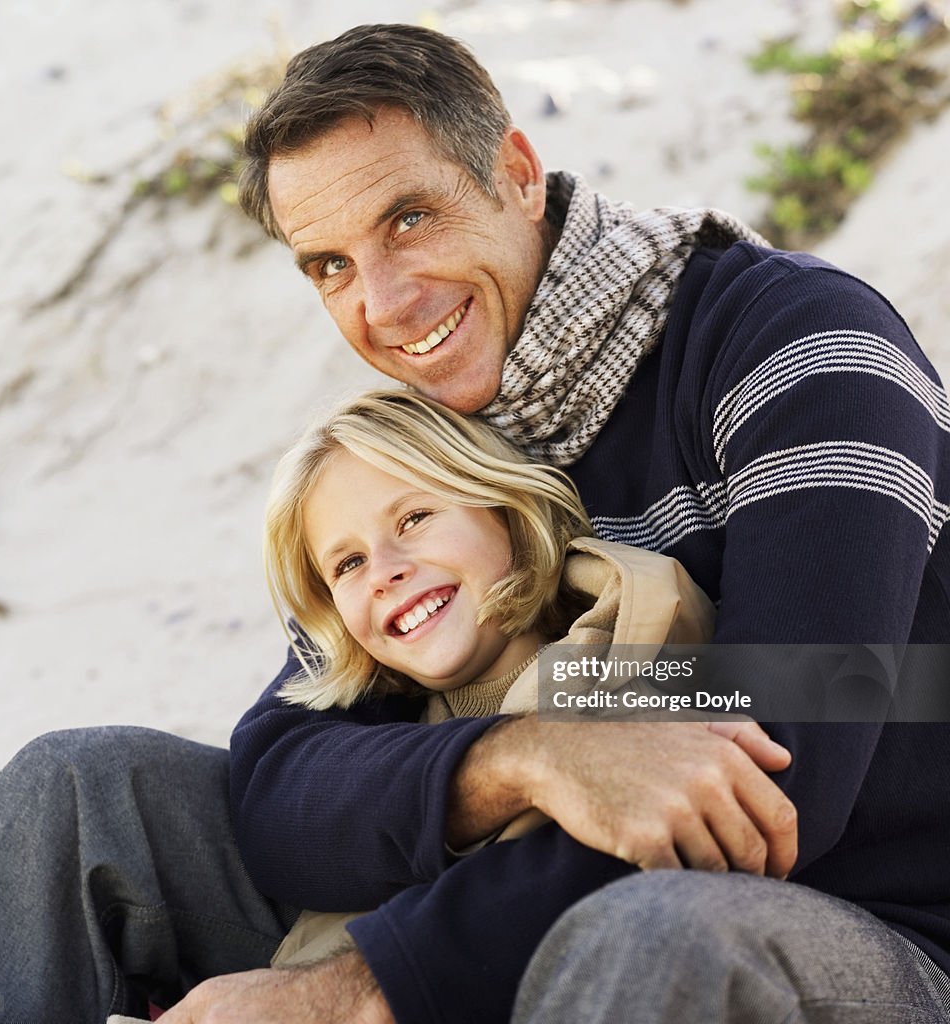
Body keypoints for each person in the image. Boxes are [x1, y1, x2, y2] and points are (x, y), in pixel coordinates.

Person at [0, 20, 949, 1024]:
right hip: (514, 898)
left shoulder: (793, 342)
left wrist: (366, 986)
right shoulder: (436, 437)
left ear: (514, 169)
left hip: (861, 929)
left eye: (408, 219)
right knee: (75, 795)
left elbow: (783, 763)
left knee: (655, 927)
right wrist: (520, 756)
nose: (384, 303)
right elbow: (282, 775)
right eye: (326, 265)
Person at [259, 387, 721, 968]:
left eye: (415, 517)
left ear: (504, 506)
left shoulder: (638, 642)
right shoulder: (388, 751)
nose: (384, 572)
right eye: (348, 564)